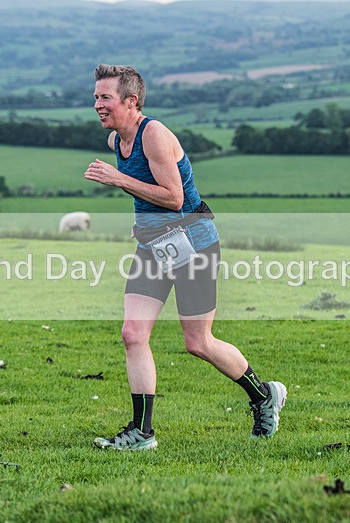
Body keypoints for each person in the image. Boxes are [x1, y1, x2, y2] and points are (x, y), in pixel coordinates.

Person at [84, 64, 286, 451]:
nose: (97, 105)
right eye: (96, 97)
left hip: (193, 243)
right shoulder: (117, 141)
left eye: (105, 97)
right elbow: (150, 195)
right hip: (154, 246)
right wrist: (143, 223)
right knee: (132, 334)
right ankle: (142, 433)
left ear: (131, 100)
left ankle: (264, 396)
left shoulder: (154, 135)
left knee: (198, 342)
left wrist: (118, 179)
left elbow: (174, 197)